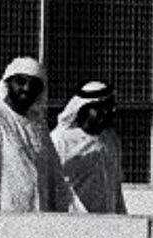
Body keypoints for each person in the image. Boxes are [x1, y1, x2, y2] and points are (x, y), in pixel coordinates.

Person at [0, 56, 64, 211]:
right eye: (20, 81)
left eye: (34, 85)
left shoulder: (39, 126)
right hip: (5, 224)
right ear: (8, 84)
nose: (27, 88)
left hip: (40, 225)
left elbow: (54, 181)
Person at [53, 80, 126, 214]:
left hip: (108, 223)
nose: (108, 112)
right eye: (101, 107)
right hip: (74, 222)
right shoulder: (61, 141)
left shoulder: (110, 139)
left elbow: (115, 187)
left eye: (110, 107)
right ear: (84, 108)